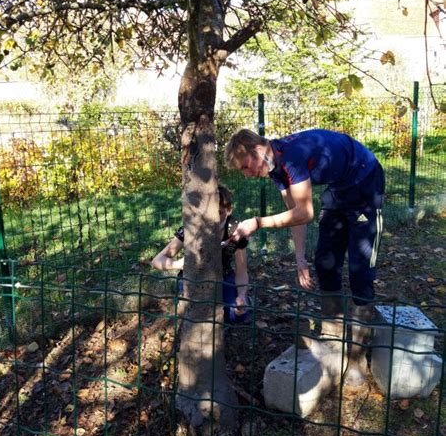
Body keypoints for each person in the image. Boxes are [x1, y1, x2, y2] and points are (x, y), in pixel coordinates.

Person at [224, 128, 385, 386]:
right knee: (325, 261)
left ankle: (356, 356)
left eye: (245, 166)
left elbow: (306, 212)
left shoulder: (291, 157)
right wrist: (300, 259)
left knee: (360, 267)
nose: (247, 174)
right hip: (339, 189)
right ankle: (335, 340)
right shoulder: (275, 168)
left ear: (257, 150)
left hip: (365, 181)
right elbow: (294, 213)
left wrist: (258, 222)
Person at [151, 184, 251, 324]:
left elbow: (241, 271)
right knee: (198, 314)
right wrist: (178, 264)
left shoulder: (236, 230)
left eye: (220, 212)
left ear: (228, 210)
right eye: (210, 213)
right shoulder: (192, 228)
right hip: (194, 277)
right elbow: (157, 260)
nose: (214, 219)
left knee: (238, 315)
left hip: (223, 275)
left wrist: (241, 295)